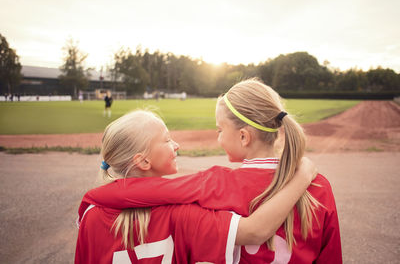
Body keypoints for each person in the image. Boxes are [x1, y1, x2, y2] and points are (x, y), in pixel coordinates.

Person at [83, 78, 342, 263]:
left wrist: (94, 197)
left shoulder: (216, 183)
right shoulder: (320, 186)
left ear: (243, 137)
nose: (218, 137)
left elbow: (149, 191)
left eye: (220, 130)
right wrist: (304, 176)